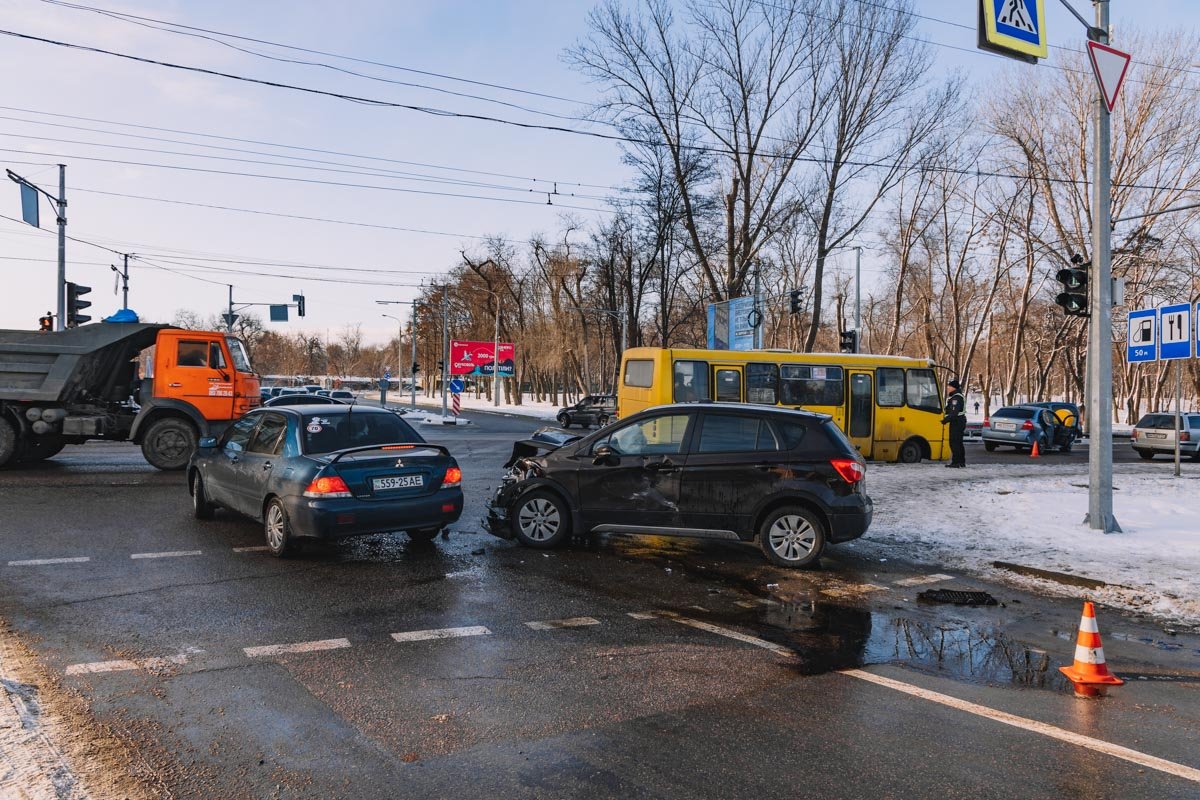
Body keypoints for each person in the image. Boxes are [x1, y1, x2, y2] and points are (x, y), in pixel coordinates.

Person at [942, 378, 966, 468]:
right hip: (959, 421)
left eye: (949, 386)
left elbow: (954, 413)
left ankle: (956, 463)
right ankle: (961, 462)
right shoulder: (957, 396)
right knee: (959, 442)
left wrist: (945, 420)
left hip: (956, 422)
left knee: (954, 442)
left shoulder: (956, 398)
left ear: (954, 387)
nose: (948, 388)